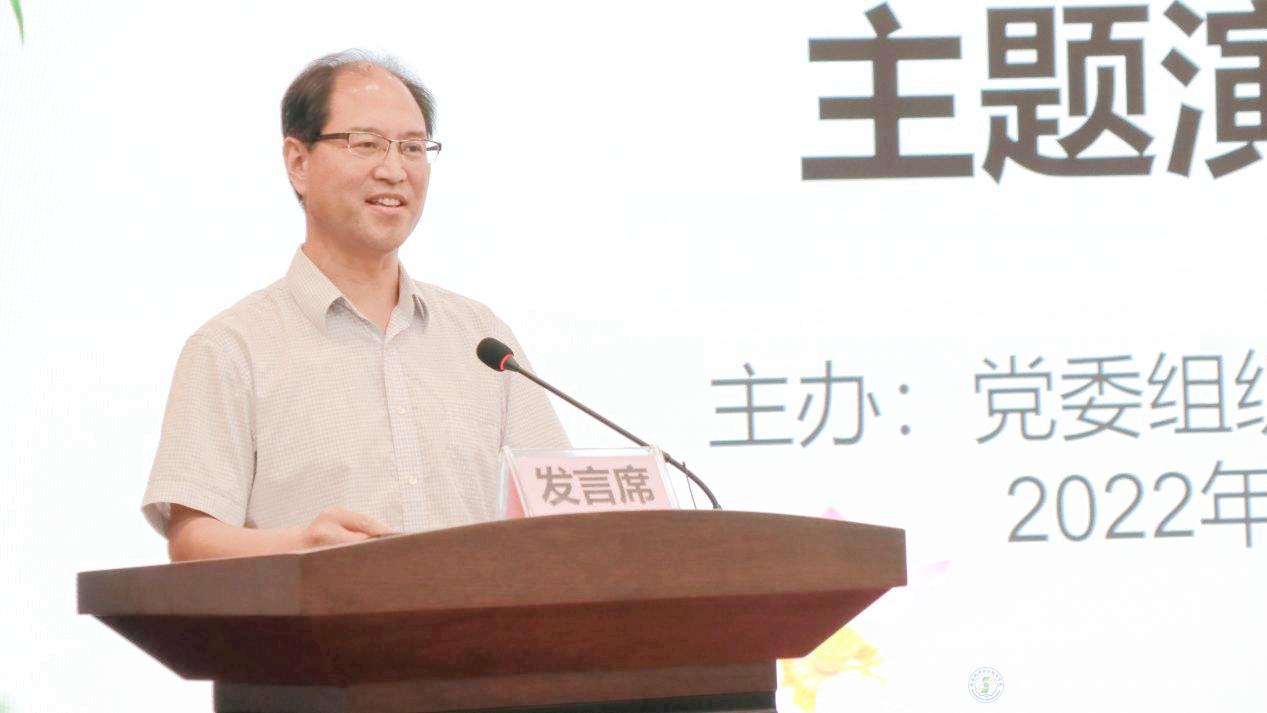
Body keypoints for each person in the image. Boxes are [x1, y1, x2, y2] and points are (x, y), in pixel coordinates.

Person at [141, 50, 568, 562]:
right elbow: (192, 541)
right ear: (298, 162)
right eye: (366, 144)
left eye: (413, 148)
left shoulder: (481, 339)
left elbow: (560, 513)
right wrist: (300, 547)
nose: (394, 170)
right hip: (315, 617)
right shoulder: (232, 349)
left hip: (478, 616)